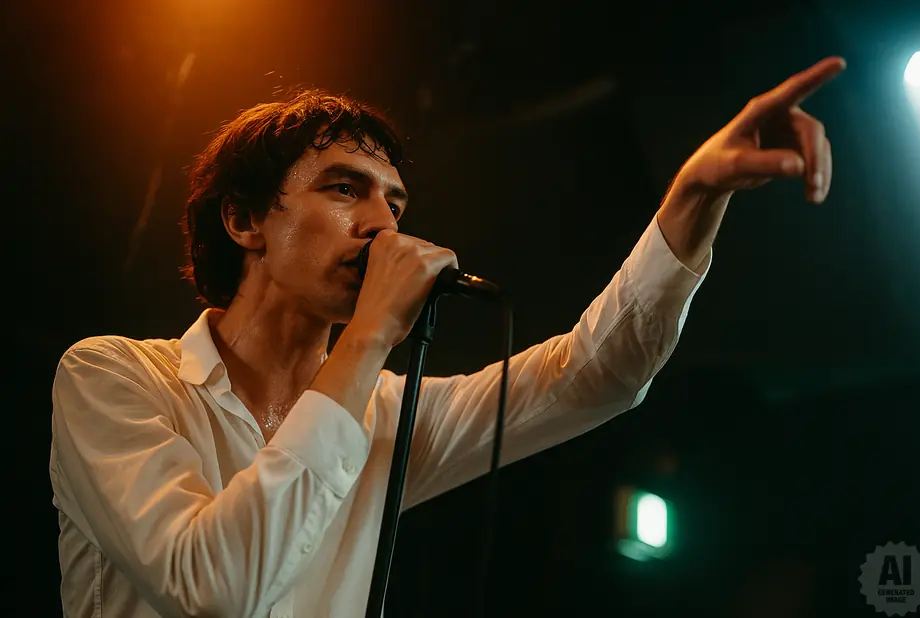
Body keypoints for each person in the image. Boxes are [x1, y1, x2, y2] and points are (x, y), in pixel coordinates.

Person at [49, 57, 845, 617]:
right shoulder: (111, 379)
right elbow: (216, 588)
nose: (381, 224)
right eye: (343, 188)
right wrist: (369, 338)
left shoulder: (386, 415)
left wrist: (692, 198)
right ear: (245, 219)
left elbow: (597, 374)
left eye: (395, 204)